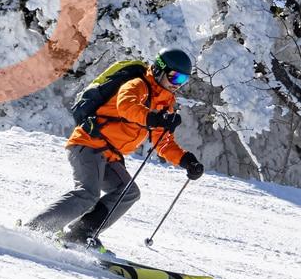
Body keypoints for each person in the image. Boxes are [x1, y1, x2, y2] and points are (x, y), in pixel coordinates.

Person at [28, 48, 205, 249]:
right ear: (158, 70)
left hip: (109, 154)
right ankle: (35, 229)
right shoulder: (138, 85)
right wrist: (154, 118)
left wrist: (186, 160)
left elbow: (162, 142)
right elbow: (126, 106)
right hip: (88, 143)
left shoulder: (165, 103)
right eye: (175, 78)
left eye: (183, 81)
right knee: (88, 194)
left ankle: (81, 233)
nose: (177, 85)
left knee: (128, 193)